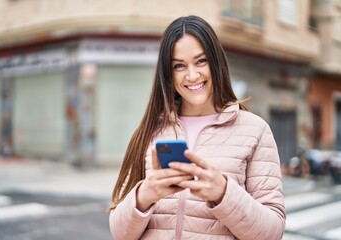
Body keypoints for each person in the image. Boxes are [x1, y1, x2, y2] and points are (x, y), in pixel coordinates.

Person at [108, 15, 285, 240]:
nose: (192, 75)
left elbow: (272, 233)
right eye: (179, 66)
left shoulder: (255, 130)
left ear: (215, 61)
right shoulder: (150, 130)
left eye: (201, 61)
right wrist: (144, 196)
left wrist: (223, 193)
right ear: (168, 74)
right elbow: (120, 233)